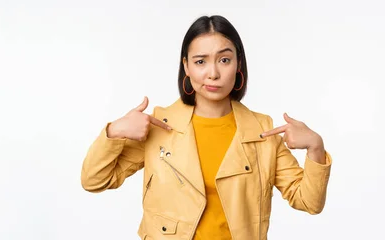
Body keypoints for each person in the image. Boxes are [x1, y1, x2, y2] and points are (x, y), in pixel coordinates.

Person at [80, 15, 332, 240]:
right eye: (200, 62)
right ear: (186, 67)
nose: (213, 73)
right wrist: (114, 131)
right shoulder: (160, 125)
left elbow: (309, 201)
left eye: (224, 59)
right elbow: (94, 180)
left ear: (238, 64)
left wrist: (315, 148)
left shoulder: (263, 132)